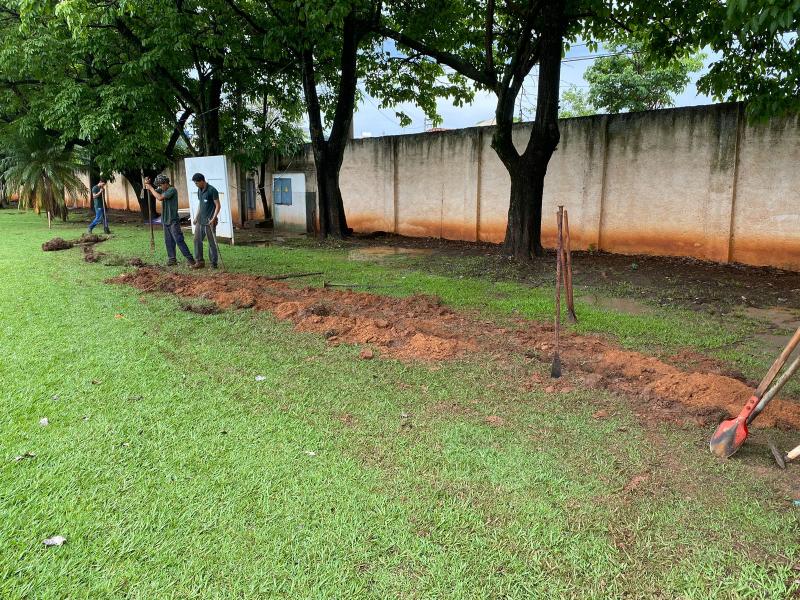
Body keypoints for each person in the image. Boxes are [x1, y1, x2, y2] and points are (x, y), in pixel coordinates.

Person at [144, 174, 195, 267]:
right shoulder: (163, 189)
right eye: (159, 185)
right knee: (168, 241)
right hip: (165, 220)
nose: (160, 187)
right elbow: (153, 193)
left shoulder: (172, 190)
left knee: (179, 240)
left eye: (161, 185)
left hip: (173, 220)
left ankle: (190, 260)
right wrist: (148, 185)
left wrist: (150, 187)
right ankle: (172, 259)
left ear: (166, 183)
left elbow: (159, 198)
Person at [190, 173, 221, 269]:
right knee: (196, 240)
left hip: (209, 221)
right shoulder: (199, 190)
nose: (196, 185)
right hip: (200, 220)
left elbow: (218, 206)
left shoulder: (212, 190)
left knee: (211, 243)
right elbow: (200, 204)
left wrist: (213, 218)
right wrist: (196, 217)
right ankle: (199, 261)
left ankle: (213, 263)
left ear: (202, 181)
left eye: (196, 183)